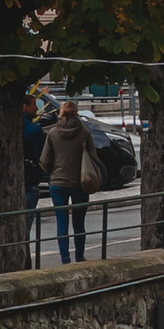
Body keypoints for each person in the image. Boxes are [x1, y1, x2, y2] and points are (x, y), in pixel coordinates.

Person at [38, 93, 95, 263]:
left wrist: (53, 172)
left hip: (58, 182)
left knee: (61, 222)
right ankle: (79, 256)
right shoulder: (84, 132)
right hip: (80, 182)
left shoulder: (53, 133)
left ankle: (65, 258)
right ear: (76, 113)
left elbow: (44, 159)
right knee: (79, 222)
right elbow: (93, 157)